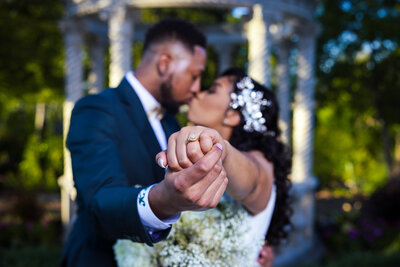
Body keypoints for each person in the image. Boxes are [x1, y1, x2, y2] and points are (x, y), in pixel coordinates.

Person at [61, 18, 229, 267]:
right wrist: (163, 200)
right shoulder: (96, 109)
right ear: (164, 64)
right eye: (194, 75)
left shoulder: (172, 124)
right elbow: (99, 202)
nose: (196, 88)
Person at [157, 67, 292, 266]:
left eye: (212, 90)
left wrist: (221, 148)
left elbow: (253, 179)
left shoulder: (259, 162)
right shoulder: (195, 157)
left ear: (232, 116)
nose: (197, 93)